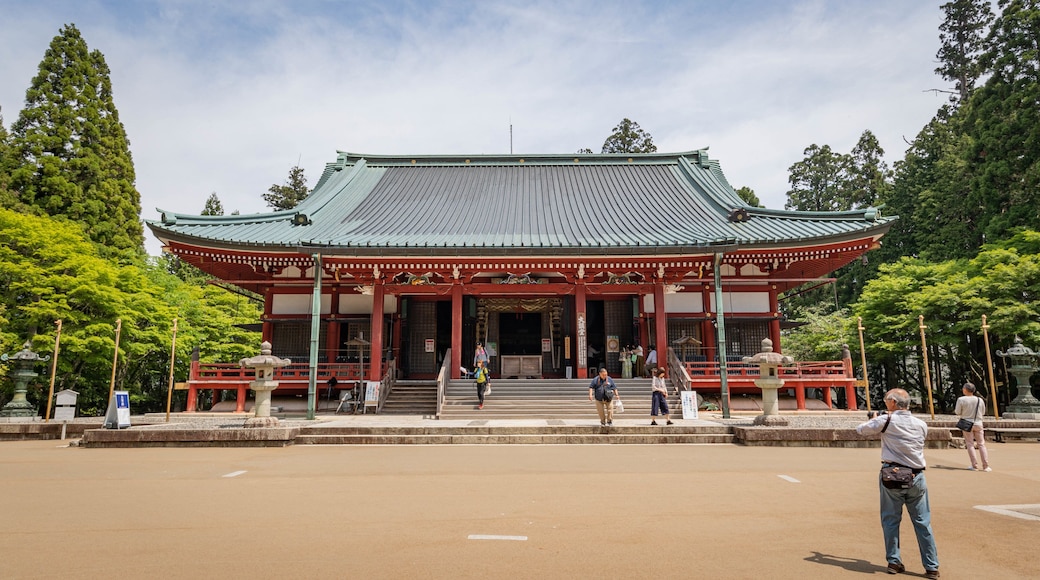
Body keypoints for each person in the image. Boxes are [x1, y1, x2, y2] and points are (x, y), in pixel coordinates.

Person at [856, 388, 940, 579]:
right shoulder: (921, 424)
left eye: (887, 400)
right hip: (916, 475)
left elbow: (860, 430)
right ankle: (932, 565)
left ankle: (894, 560)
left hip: (892, 474)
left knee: (890, 519)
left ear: (893, 402)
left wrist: (874, 418)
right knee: (922, 522)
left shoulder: (886, 420)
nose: (886, 403)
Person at [954, 382, 991, 472]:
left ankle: (974, 465)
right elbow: (982, 412)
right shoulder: (979, 400)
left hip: (967, 423)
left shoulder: (961, 399)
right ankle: (986, 466)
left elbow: (957, 412)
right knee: (981, 444)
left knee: (970, 444)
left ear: (966, 390)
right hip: (978, 423)